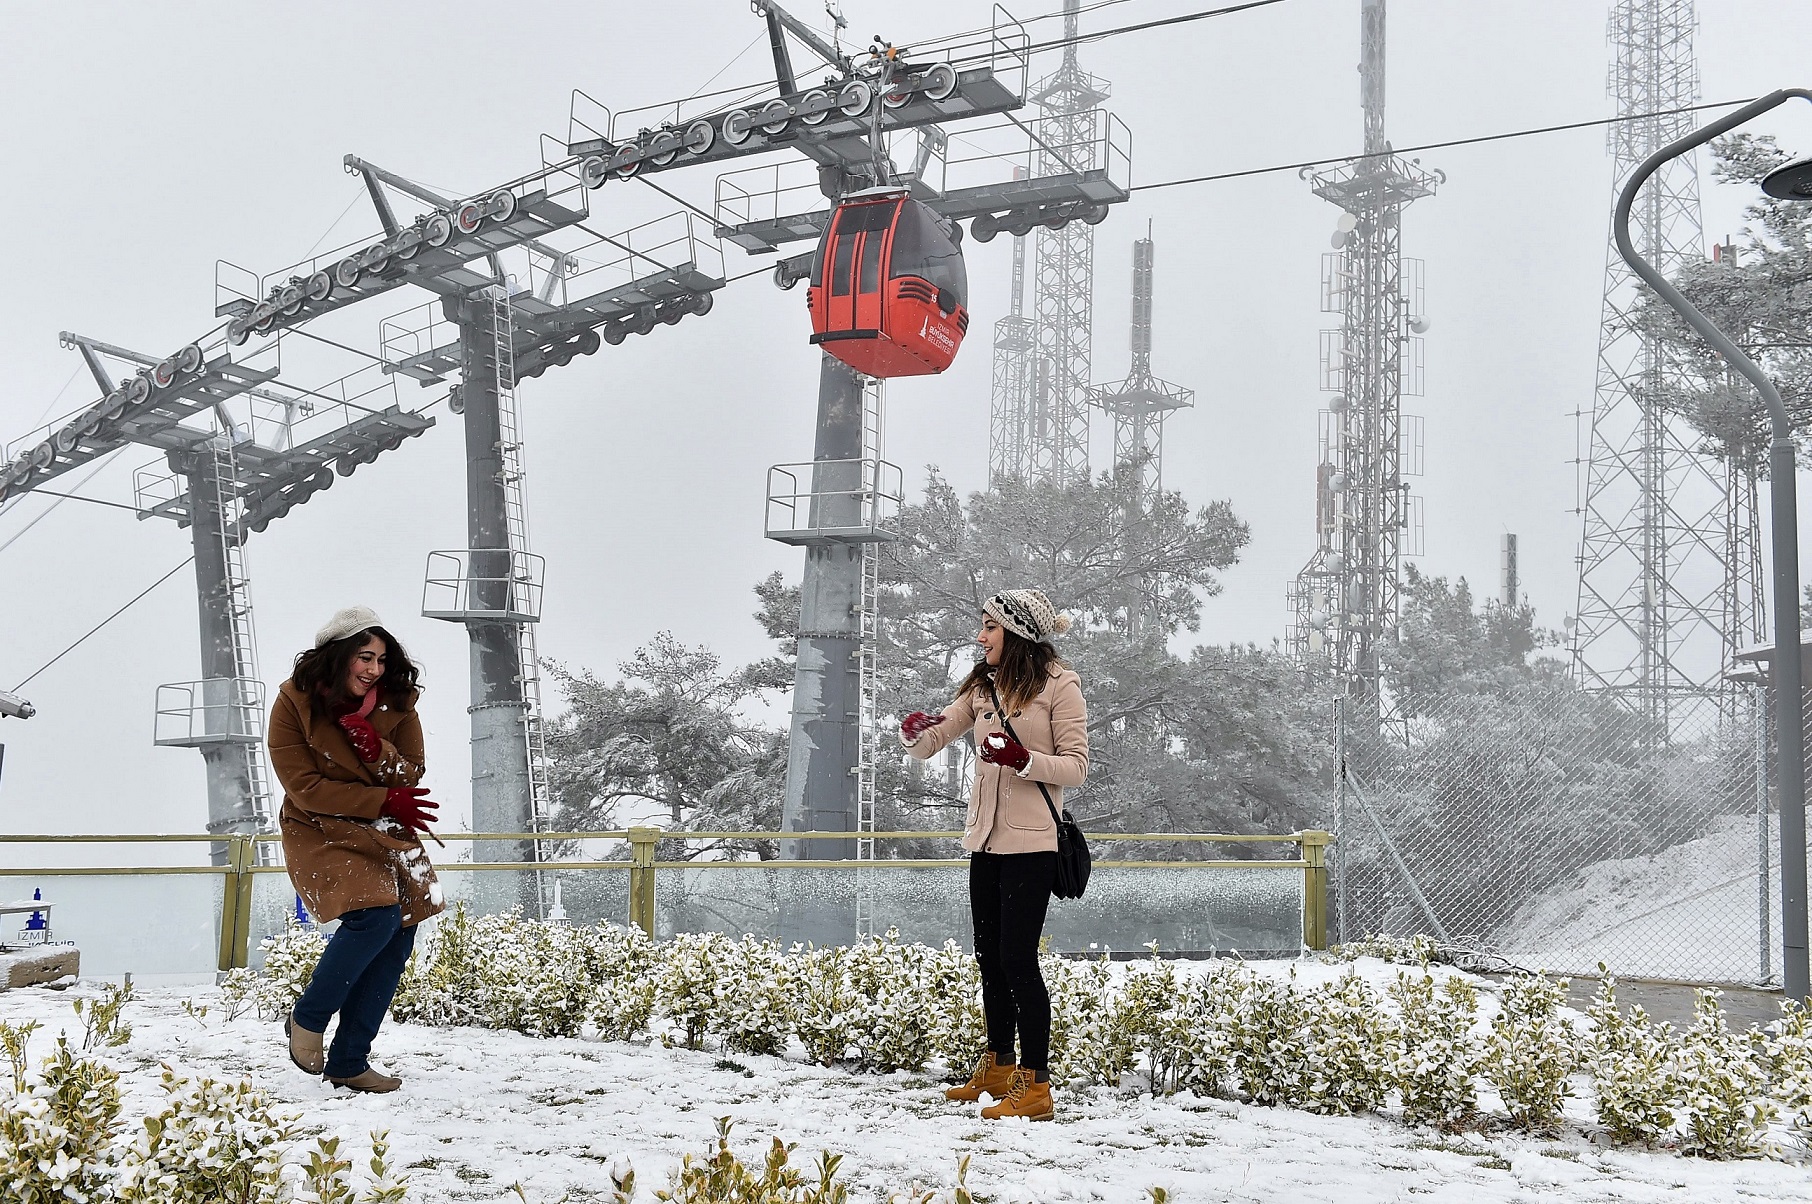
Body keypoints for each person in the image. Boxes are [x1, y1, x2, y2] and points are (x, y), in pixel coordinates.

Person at [900, 588, 1087, 1123]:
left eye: (990, 627)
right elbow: (938, 735)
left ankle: (1036, 1085)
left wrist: (1025, 759)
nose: (980, 636)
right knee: (989, 956)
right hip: (985, 842)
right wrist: (914, 734)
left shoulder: (1060, 685)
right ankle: (1000, 1066)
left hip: (1032, 845)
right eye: (982, 625)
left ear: (1017, 632)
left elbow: (1076, 767)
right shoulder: (983, 685)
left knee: (1017, 960)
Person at [270, 606, 443, 1093]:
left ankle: (349, 1061)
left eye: (382, 660)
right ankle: (308, 1017)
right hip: (320, 826)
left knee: (401, 928)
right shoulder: (294, 701)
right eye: (364, 657)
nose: (374, 669)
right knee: (375, 916)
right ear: (339, 654)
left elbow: (411, 774)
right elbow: (304, 787)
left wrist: (375, 749)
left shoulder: (397, 700)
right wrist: (380, 798)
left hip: (387, 823)